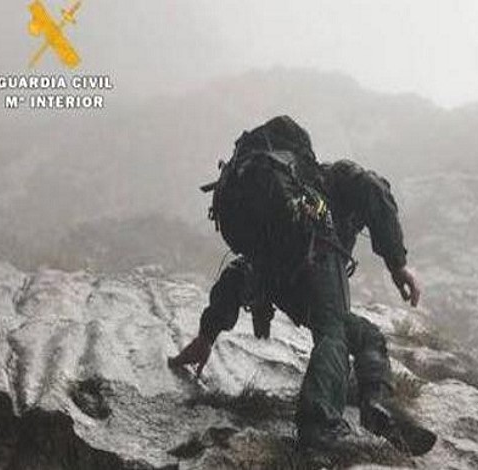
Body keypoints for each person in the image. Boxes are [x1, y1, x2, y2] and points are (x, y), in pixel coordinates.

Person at [168, 116, 435, 455]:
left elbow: (237, 275)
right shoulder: (331, 180)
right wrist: (398, 265)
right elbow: (374, 188)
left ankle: (377, 407)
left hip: (276, 276)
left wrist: (206, 337)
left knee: (365, 335)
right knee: (335, 332)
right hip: (315, 260)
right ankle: (319, 427)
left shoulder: (271, 225)